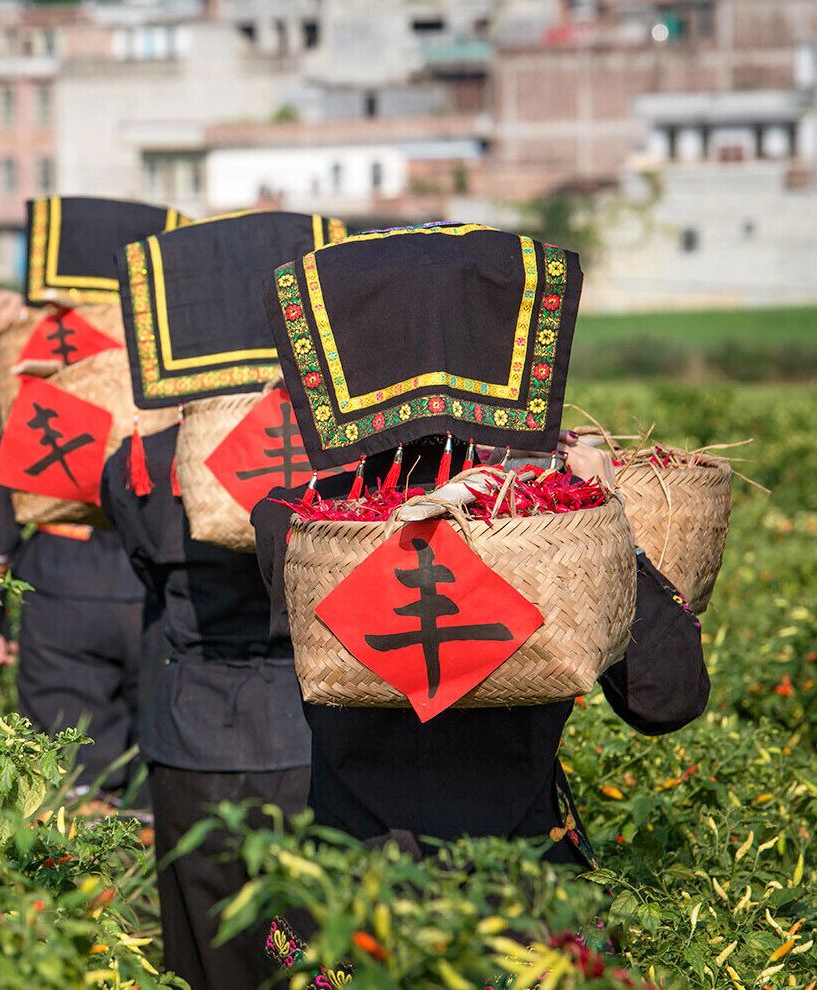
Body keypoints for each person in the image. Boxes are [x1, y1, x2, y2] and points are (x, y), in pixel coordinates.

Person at [250, 222, 709, 867]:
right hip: (521, 880)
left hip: (353, 886)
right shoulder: (548, 528)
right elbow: (667, 700)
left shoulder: (291, 524)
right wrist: (608, 520)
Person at [99, 425, 309, 990]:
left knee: (204, 946)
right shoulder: (324, 454)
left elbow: (144, 563)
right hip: (299, 722)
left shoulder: (144, 459)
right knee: (305, 942)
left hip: (191, 727)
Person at [0, 291, 149, 800]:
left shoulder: (34, 349)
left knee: (72, 779)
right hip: (162, 575)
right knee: (161, 777)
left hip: (65, 580)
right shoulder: (168, 343)